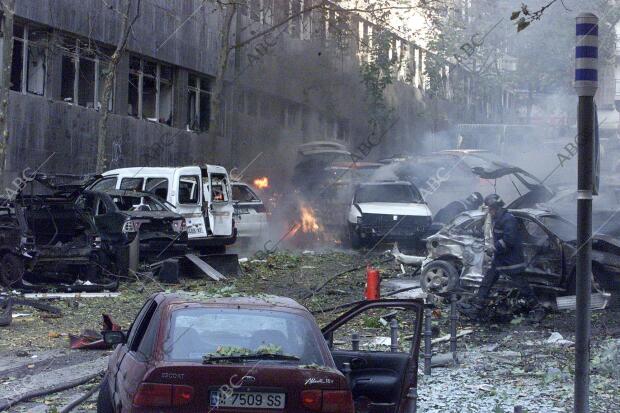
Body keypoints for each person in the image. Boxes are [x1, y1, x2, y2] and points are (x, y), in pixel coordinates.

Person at [459, 194, 546, 322]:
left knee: (522, 286)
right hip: (500, 260)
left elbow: (509, 240)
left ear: (496, 208)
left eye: (490, 208)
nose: (489, 211)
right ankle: (476, 309)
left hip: (511, 261)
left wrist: (493, 248)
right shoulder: (499, 219)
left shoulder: (508, 219)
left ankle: (538, 309)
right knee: (487, 282)